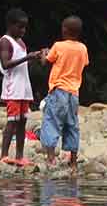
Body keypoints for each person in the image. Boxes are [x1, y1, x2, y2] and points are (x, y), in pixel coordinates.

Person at [38, 16, 90, 170]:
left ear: (65, 30)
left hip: (58, 90)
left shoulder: (58, 46)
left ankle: (51, 158)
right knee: (72, 124)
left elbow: (45, 62)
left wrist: (43, 53)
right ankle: (73, 162)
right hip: (74, 93)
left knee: (52, 122)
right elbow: (84, 63)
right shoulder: (83, 48)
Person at [0, 9, 44, 166]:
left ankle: (19, 155)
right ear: (10, 25)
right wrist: (27, 57)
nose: (23, 30)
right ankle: (4, 155)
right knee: (12, 121)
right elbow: (5, 64)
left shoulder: (21, 42)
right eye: (20, 27)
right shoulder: (5, 41)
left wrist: (33, 57)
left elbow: (21, 62)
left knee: (23, 121)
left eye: (25, 27)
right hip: (13, 87)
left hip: (24, 87)